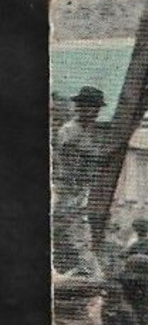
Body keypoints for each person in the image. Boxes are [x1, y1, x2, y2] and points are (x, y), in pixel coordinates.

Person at [53, 87, 105, 276]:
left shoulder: (87, 131)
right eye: (91, 108)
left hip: (79, 190)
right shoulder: (70, 131)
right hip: (70, 189)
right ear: (81, 108)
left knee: (77, 233)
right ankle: (91, 273)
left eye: (97, 109)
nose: (95, 113)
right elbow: (70, 165)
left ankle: (86, 270)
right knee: (76, 232)